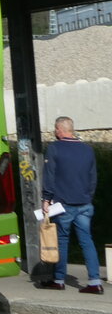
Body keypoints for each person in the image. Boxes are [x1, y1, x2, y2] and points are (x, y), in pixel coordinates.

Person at [39, 116, 102, 294]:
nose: (54, 132)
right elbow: (93, 178)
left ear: (60, 129)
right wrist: (88, 197)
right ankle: (95, 281)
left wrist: (46, 199)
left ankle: (59, 280)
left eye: (55, 129)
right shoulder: (87, 150)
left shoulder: (54, 148)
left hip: (63, 203)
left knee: (62, 241)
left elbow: (49, 177)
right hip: (84, 203)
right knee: (87, 241)